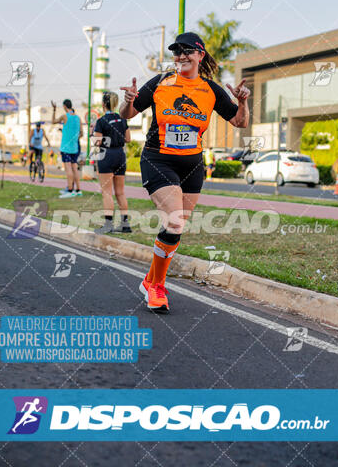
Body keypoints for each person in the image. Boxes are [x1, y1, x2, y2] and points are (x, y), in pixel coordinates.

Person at [120, 32, 250, 313]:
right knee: (175, 222)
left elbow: (239, 122)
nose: (180, 55)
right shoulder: (161, 82)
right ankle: (157, 287)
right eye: (176, 51)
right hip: (158, 159)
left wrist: (242, 102)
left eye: (187, 50)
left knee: (175, 228)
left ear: (200, 55)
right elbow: (127, 114)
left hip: (192, 165)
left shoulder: (211, 90)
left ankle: (151, 279)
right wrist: (129, 100)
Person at [93, 91, 132, 234]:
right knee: (120, 192)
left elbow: (96, 142)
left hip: (106, 155)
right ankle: (125, 224)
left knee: (107, 192)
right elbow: (128, 139)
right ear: (115, 103)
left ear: (103, 104)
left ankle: (108, 224)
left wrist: (95, 133)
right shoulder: (122, 119)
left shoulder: (101, 121)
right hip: (120, 155)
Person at [51, 99, 83, 198]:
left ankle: (70, 190)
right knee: (75, 169)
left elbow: (53, 121)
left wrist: (54, 110)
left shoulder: (65, 116)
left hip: (66, 148)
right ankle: (78, 190)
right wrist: (73, 138)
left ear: (64, 106)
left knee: (68, 169)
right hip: (75, 147)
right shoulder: (78, 118)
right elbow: (81, 133)